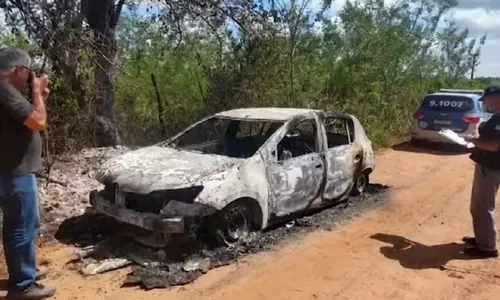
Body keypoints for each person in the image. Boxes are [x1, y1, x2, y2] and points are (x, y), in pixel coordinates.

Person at [0, 48, 56, 299]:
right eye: (29, 73)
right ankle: (22, 284)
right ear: (18, 70)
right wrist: (36, 93)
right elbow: (38, 122)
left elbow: (30, 118)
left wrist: (38, 97)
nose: (30, 77)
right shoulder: (4, 90)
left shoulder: (7, 93)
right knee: (22, 224)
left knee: (21, 224)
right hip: (14, 171)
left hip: (13, 169)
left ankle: (25, 269)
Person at [463, 85, 500, 258]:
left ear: (496, 97)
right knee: (480, 205)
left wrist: (473, 140)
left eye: (486, 99)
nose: (485, 103)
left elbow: (493, 146)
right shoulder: (496, 117)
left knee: (482, 206)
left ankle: (487, 247)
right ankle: (482, 239)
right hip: (491, 167)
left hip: (491, 168)